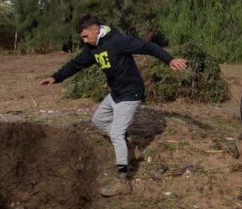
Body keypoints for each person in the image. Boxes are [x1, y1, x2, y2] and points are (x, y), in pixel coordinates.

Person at [40, 14, 188, 196]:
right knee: (98, 120)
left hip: (131, 92)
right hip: (116, 92)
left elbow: (147, 47)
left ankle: (124, 182)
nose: (84, 41)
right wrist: (55, 77)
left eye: (86, 36)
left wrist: (169, 59)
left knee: (117, 133)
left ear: (95, 30)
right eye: (82, 38)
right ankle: (128, 150)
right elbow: (75, 64)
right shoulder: (92, 48)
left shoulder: (118, 41)